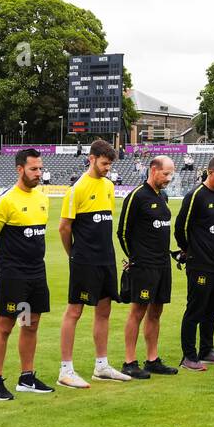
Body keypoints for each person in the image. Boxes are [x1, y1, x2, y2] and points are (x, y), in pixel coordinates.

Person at [57, 140, 133, 388]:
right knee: (75, 310)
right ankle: (65, 369)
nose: (107, 168)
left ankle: (101, 366)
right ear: (91, 159)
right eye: (103, 163)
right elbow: (64, 227)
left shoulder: (109, 186)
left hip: (105, 258)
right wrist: (74, 254)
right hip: (84, 259)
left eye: (110, 164)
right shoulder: (77, 189)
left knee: (104, 310)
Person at [0, 149, 54, 399]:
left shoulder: (43, 198)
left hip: (36, 271)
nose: (38, 173)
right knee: (5, 326)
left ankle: (27, 378)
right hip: (13, 273)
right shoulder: (6, 200)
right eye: (34, 169)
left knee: (31, 323)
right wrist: (0, 263)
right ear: (19, 169)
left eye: (40, 169)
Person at [116, 156, 179, 378]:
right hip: (144, 265)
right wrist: (134, 258)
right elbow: (122, 232)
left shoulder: (162, 196)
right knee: (138, 310)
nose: (169, 178)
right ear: (153, 170)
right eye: (166, 174)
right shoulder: (136, 196)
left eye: (171, 174)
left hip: (163, 263)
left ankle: (152, 359)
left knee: (157, 310)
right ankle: (129, 361)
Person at [176, 156, 214, 371]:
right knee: (195, 309)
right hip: (200, 264)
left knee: (213, 309)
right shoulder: (195, 196)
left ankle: (206, 350)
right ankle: (188, 356)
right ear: (211, 173)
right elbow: (180, 227)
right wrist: (189, 250)